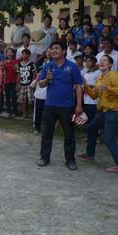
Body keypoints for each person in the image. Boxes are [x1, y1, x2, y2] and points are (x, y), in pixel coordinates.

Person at [37, 41, 84, 170]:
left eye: (57, 48)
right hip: (50, 105)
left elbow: (79, 86)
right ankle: (44, 157)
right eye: (52, 48)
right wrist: (47, 79)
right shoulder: (48, 66)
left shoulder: (72, 66)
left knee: (69, 135)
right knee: (46, 133)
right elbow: (41, 84)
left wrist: (79, 105)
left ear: (64, 51)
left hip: (67, 106)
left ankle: (70, 160)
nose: (54, 51)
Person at [78, 55, 118, 174]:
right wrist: (85, 85)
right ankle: (90, 155)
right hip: (103, 111)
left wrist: (108, 88)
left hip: (114, 111)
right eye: (100, 60)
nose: (101, 62)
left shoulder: (114, 75)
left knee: (108, 138)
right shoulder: (100, 77)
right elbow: (94, 95)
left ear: (110, 64)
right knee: (91, 128)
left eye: (104, 60)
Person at [30, 48, 52, 133]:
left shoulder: (54, 64)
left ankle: (47, 128)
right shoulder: (40, 63)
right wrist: (36, 80)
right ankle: (37, 127)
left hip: (49, 93)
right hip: (39, 92)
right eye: (47, 51)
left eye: (50, 51)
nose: (49, 53)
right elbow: (37, 75)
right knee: (38, 111)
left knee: (47, 113)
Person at [17, 48, 37, 120]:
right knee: (22, 100)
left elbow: (34, 74)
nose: (24, 55)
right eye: (23, 54)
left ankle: (33, 113)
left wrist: (33, 83)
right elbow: (18, 74)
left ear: (28, 55)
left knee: (31, 99)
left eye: (25, 54)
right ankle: (24, 114)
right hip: (22, 84)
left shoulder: (32, 64)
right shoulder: (19, 64)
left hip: (29, 84)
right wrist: (17, 84)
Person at [81, 55, 101, 128]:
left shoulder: (98, 73)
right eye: (86, 61)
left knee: (94, 119)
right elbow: (83, 87)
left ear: (94, 63)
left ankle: (97, 135)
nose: (87, 63)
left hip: (95, 101)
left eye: (89, 61)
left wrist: (87, 86)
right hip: (86, 100)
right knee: (88, 118)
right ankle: (89, 135)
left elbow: (98, 86)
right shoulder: (85, 74)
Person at [2, 48, 19, 119]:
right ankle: (8, 111)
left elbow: (17, 71)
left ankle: (15, 112)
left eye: (10, 52)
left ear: (13, 53)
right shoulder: (4, 61)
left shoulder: (15, 61)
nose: (9, 53)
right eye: (8, 52)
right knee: (8, 97)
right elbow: (3, 71)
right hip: (6, 81)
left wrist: (12, 64)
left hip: (13, 81)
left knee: (13, 96)